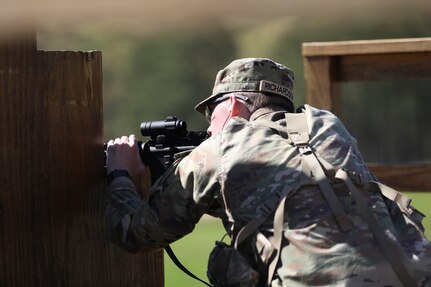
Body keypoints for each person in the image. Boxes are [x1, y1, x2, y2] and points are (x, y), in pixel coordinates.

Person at [105, 58, 431, 286]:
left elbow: (136, 233)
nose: (208, 129)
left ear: (232, 106)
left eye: (211, 115)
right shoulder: (328, 126)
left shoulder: (222, 148)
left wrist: (120, 173)